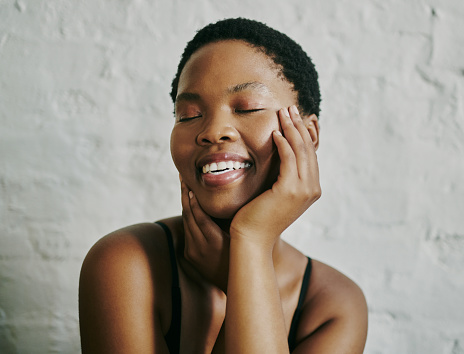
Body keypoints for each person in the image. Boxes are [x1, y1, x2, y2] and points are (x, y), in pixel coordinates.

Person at [79, 18, 368, 353]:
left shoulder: (332, 305)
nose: (213, 130)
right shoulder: (127, 263)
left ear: (309, 135)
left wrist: (249, 246)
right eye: (187, 115)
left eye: (248, 108)